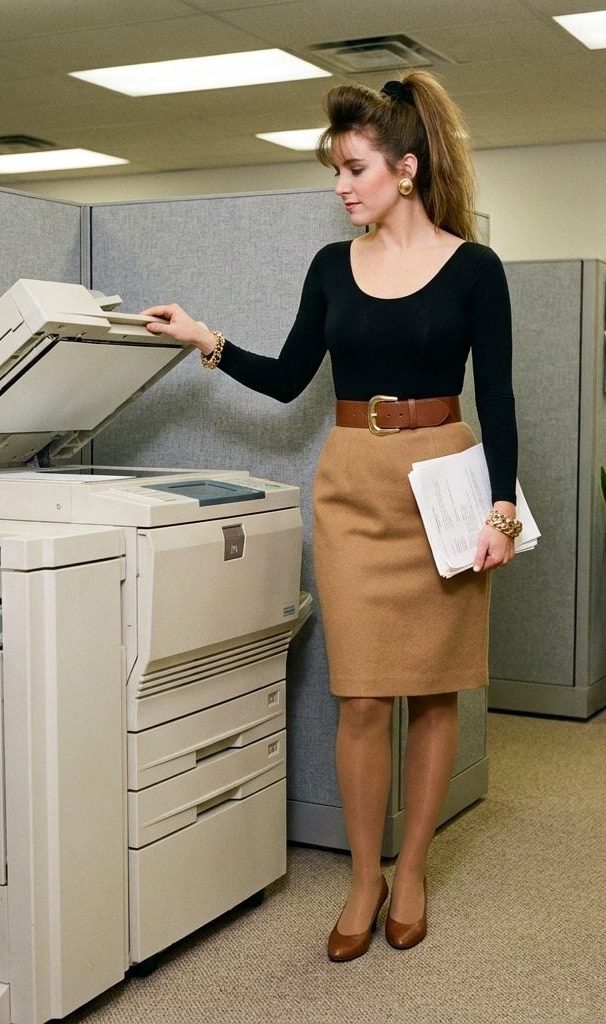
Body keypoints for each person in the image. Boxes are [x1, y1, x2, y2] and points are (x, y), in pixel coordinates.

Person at [141, 70, 519, 962]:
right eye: (337, 171)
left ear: (407, 168)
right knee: (359, 697)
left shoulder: (475, 269)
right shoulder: (329, 267)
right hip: (352, 486)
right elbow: (285, 381)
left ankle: (414, 866)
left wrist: (501, 508)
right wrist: (207, 339)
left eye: (353, 167)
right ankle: (363, 875)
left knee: (432, 692)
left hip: (444, 485)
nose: (341, 186)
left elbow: (496, 399)